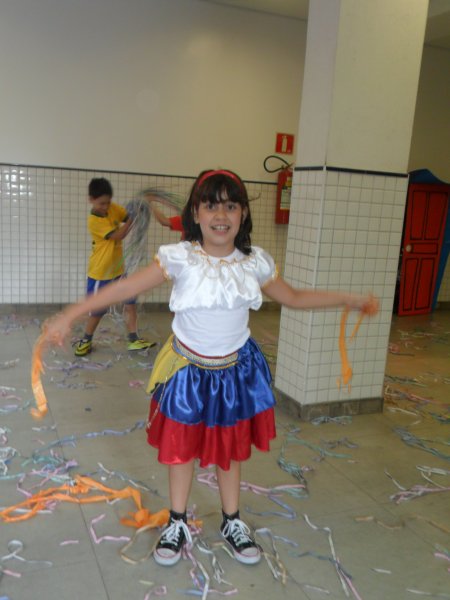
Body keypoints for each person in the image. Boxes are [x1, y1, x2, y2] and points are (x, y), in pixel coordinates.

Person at [41, 169, 379, 567]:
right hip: (187, 372)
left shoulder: (253, 262)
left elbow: (295, 297)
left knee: (229, 451)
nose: (221, 215)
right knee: (181, 451)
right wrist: (70, 315)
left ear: (243, 213)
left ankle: (232, 520)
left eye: (231, 206)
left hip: (234, 373)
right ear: (195, 214)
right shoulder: (180, 258)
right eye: (211, 205)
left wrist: (347, 299)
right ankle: (177, 521)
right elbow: (124, 288)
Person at [73, 177, 155, 356]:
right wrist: (133, 219)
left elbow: (126, 215)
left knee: (130, 302)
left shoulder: (113, 208)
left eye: (108, 202)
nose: (105, 207)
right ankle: (86, 340)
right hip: (100, 273)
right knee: (97, 311)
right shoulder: (94, 221)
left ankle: (133, 339)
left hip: (118, 270)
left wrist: (140, 206)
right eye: (101, 203)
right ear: (91, 200)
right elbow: (119, 235)